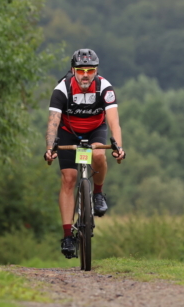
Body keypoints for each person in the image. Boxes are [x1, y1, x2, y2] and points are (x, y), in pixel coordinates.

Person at [44, 48, 125, 258]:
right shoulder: (62, 89)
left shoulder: (104, 88)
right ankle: (68, 236)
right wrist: (50, 148)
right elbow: (53, 122)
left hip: (95, 130)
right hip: (68, 132)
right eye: (81, 71)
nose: (86, 75)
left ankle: (97, 194)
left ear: (96, 71)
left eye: (90, 70)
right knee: (69, 179)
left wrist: (119, 147)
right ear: (73, 70)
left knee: (98, 155)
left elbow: (113, 121)